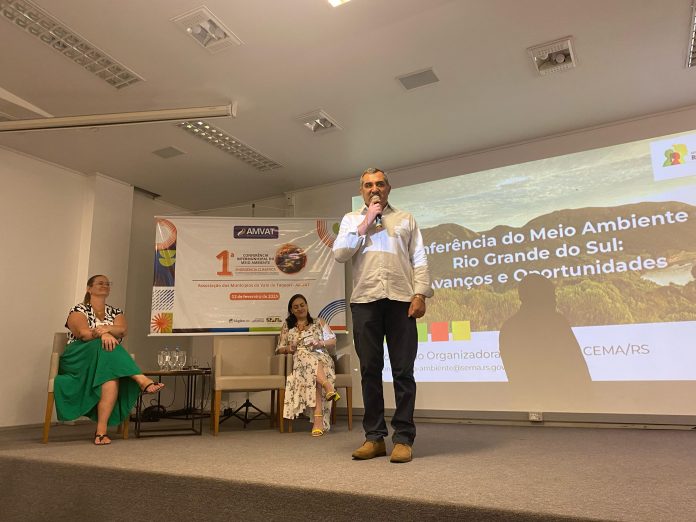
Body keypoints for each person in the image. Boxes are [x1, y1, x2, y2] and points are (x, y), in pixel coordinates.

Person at [333, 167, 433, 463]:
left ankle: (403, 438)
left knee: (403, 371)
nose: (374, 189)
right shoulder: (351, 220)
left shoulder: (406, 218)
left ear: (388, 188)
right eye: (368, 185)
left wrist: (420, 294)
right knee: (369, 371)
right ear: (361, 191)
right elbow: (340, 254)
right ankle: (374, 438)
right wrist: (366, 222)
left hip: (402, 301)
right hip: (365, 301)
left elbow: (419, 258)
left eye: (379, 184)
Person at [54, 274, 164, 445]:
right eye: (100, 283)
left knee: (109, 375)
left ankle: (101, 432)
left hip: (105, 359)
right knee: (105, 344)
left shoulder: (116, 312)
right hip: (78, 359)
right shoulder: (78, 310)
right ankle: (141, 379)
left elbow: (122, 330)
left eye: (107, 283)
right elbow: (83, 334)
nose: (105, 285)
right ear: (89, 288)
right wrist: (105, 333)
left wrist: (104, 330)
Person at [276, 294, 339, 436]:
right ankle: (327, 387)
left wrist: (319, 343)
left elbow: (333, 341)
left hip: (322, 358)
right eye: (296, 307)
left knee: (312, 370)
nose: (300, 309)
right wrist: (290, 348)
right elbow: (279, 348)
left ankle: (318, 421)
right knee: (303, 354)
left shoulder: (319, 322)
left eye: (302, 305)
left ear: (307, 306)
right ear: (291, 310)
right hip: (300, 361)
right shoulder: (287, 326)